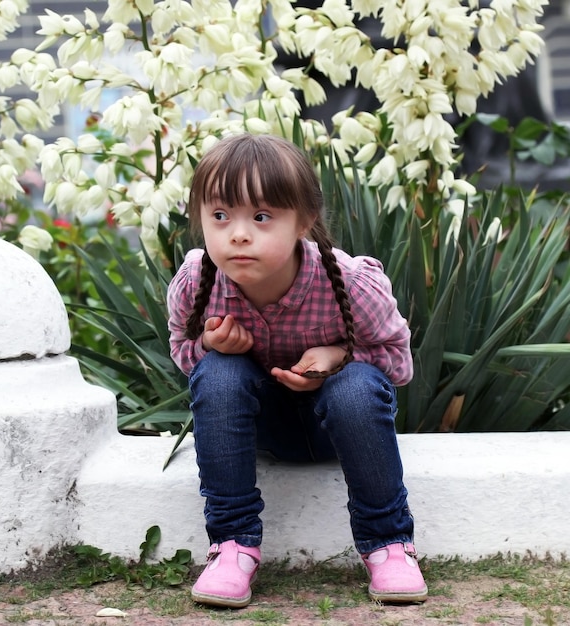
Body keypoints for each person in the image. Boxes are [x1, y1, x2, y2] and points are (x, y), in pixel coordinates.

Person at [166, 133, 427, 608]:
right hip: (264, 429)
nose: (238, 234)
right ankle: (232, 546)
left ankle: (388, 543)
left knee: (354, 387)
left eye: (262, 217)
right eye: (220, 216)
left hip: (340, 426)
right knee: (219, 371)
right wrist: (209, 344)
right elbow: (183, 354)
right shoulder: (196, 283)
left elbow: (399, 362)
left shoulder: (348, 282)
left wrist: (335, 357)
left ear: (304, 221)